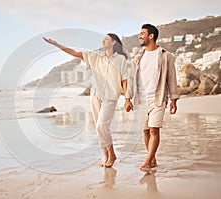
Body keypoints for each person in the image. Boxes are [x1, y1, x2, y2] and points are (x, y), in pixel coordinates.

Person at [44, 34, 133, 167]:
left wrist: (127, 99)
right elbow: (74, 53)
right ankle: (106, 156)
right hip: (96, 94)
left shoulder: (120, 59)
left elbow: (124, 80)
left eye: (106, 39)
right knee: (99, 128)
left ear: (114, 42)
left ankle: (112, 154)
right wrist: (57, 44)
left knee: (102, 126)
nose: (103, 41)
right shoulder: (96, 56)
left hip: (110, 96)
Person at [125, 24, 179, 172]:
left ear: (151, 36)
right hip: (141, 100)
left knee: (154, 130)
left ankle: (147, 161)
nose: (139, 36)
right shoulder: (138, 58)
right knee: (146, 131)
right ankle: (153, 159)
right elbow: (131, 79)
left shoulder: (165, 56)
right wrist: (128, 99)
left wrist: (174, 100)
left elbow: (171, 78)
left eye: (142, 33)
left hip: (158, 98)